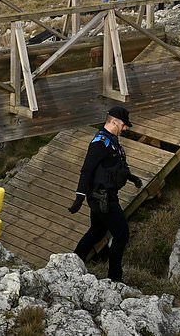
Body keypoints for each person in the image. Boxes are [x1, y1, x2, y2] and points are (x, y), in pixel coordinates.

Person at [68, 106, 142, 283]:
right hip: (103, 198)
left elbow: (114, 166)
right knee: (121, 234)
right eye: (124, 125)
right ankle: (115, 277)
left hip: (105, 196)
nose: (126, 128)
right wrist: (79, 197)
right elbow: (87, 170)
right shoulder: (100, 143)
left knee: (97, 230)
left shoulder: (112, 140)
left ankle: (72, 263)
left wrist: (131, 178)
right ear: (114, 121)